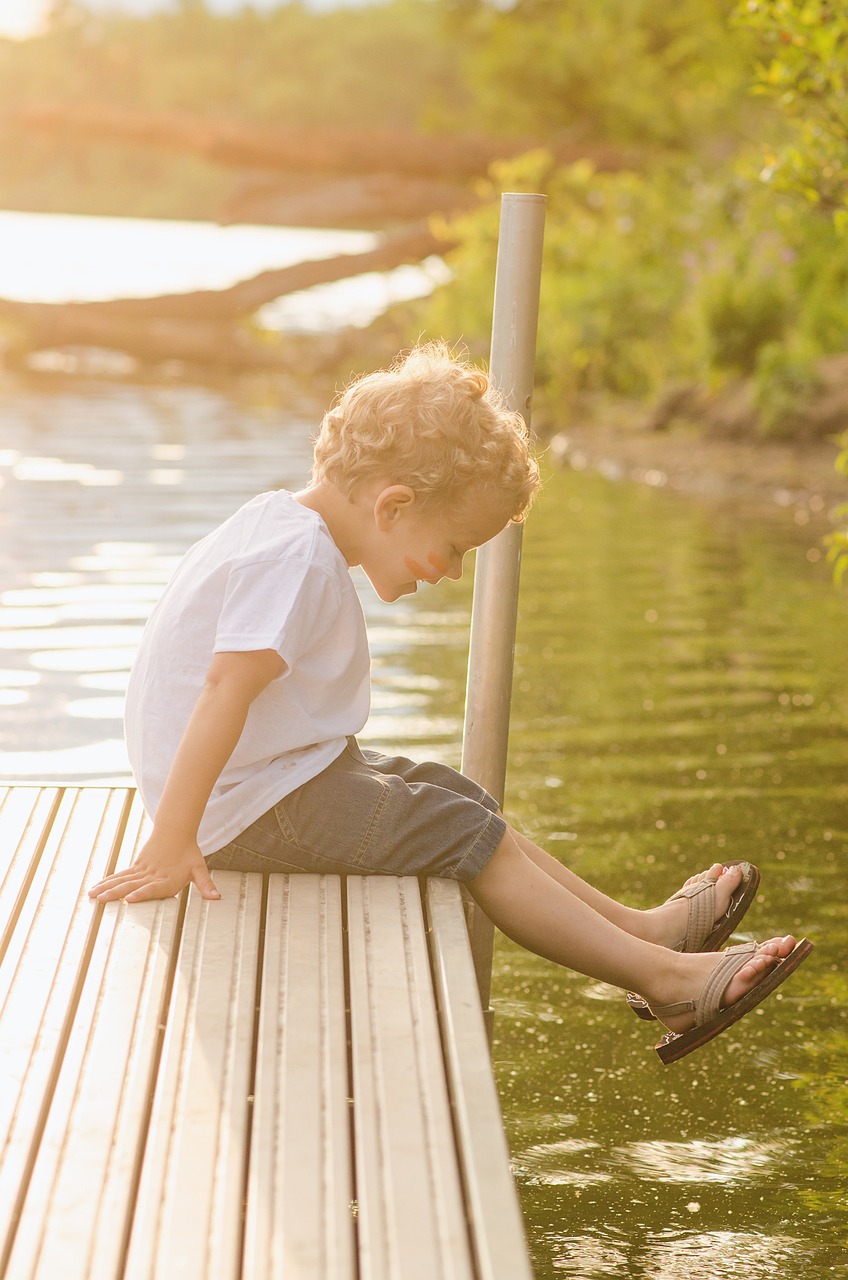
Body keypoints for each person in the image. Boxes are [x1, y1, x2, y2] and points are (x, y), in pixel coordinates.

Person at [88, 343, 811, 1063]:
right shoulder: (295, 559)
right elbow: (224, 688)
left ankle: (642, 929)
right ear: (394, 505)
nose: (457, 571)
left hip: (254, 789)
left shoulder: (284, 528)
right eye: (456, 545)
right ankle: (665, 980)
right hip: (242, 813)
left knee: (452, 795)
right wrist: (174, 838)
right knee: (464, 836)